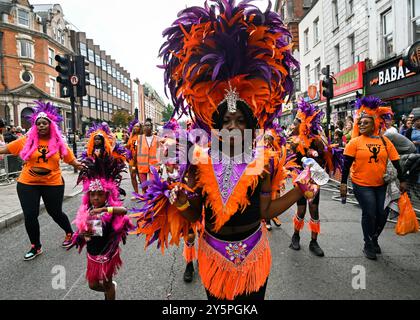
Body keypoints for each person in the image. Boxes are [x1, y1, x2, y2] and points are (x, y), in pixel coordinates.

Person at [131, 0, 325, 300]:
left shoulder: (261, 162)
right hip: (213, 253)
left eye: (239, 121)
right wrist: (182, 201)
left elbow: (266, 211)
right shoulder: (199, 161)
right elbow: (197, 212)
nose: (232, 126)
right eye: (225, 121)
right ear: (216, 128)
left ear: (249, 128)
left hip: (254, 253)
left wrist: (299, 191)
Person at [0, 101, 84, 261]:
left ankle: (70, 233)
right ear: (35, 126)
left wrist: (83, 167)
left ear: (50, 125)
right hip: (27, 183)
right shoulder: (26, 140)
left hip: (52, 183)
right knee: (30, 215)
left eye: (44, 123)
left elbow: (71, 160)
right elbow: (5, 149)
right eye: (38, 124)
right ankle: (35, 246)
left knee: (55, 212)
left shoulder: (59, 143)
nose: (41, 126)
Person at [340, 96, 408, 260]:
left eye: (366, 122)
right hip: (361, 184)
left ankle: (374, 238)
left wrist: (403, 179)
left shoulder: (385, 142)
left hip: (381, 184)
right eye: (360, 123)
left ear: (375, 123)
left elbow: (397, 162)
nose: (361, 125)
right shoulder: (354, 143)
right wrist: (343, 183)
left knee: (383, 213)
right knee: (370, 212)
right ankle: (368, 243)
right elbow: (346, 165)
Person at [69, 156, 133, 300]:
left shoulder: (108, 210)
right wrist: (82, 235)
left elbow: (123, 211)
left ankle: (110, 291)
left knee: (107, 282)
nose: (96, 198)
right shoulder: (86, 210)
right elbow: (82, 231)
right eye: (92, 195)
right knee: (92, 285)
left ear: (107, 196)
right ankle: (111, 289)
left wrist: (104, 209)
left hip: (108, 253)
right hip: (92, 253)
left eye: (100, 194)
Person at [135, 118, 160, 192]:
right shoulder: (139, 138)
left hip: (154, 165)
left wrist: (161, 165)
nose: (146, 127)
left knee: (153, 184)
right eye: (145, 125)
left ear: (152, 127)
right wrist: (133, 165)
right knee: (144, 186)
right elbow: (135, 152)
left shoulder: (157, 139)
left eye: (148, 125)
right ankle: (145, 197)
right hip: (142, 165)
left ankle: (152, 199)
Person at [125, 120, 143, 199]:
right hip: (131, 159)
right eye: (134, 126)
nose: (135, 128)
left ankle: (143, 192)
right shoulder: (131, 136)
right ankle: (136, 193)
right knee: (132, 176)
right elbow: (128, 146)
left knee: (140, 176)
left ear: (140, 128)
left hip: (140, 159)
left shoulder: (142, 136)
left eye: (137, 126)